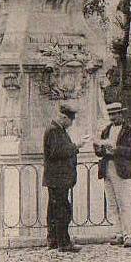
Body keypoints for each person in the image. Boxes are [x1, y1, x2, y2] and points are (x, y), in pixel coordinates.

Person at [94, 102, 131, 247]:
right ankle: (118, 233)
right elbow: (99, 153)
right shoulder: (106, 130)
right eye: (110, 115)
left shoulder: (129, 130)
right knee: (112, 203)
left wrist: (115, 148)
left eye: (115, 114)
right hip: (107, 167)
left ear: (121, 114)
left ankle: (129, 234)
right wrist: (98, 147)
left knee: (125, 202)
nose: (112, 118)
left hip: (122, 169)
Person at [42, 103, 81, 253]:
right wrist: (76, 146)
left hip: (56, 178)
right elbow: (56, 152)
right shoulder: (54, 131)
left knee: (54, 210)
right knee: (62, 210)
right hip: (57, 178)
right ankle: (63, 243)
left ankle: (53, 240)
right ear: (64, 118)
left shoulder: (58, 130)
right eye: (70, 121)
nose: (71, 124)